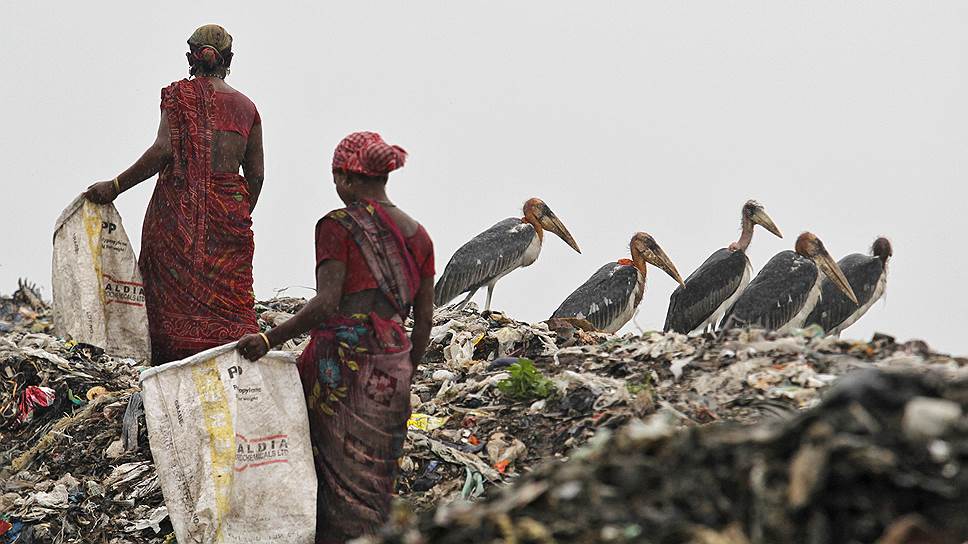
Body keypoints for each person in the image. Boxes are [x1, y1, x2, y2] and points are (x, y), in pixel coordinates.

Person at [238, 132, 435, 543]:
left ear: (346, 177)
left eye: (335, 177)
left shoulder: (337, 226)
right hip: (393, 366)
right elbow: (424, 323)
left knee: (329, 478)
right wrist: (404, 368)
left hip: (340, 368)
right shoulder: (420, 237)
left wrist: (269, 339)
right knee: (376, 482)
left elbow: (326, 304)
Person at [84, 24, 264, 364]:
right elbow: (256, 176)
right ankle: (232, 363)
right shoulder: (247, 108)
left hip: (173, 218)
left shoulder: (177, 96)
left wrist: (116, 186)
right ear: (230, 59)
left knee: (165, 307)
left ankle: (167, 372)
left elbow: (163, 150)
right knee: (233, 313)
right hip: (229, 220)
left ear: (189, 58)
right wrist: (233, 215)